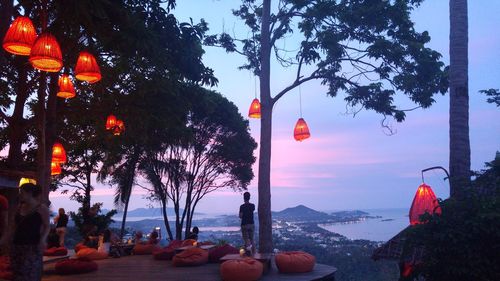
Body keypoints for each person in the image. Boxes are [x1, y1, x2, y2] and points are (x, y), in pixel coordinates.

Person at [10, 183, 50, 281]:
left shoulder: (41, 208)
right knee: (17, 273)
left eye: (22, 192)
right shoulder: (19, 207)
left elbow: (47, 226)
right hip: (17, 245)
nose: (20, 195)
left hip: (32, 246)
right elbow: (13, 227)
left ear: (30, 193)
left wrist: (43, 239)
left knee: (30, 273)